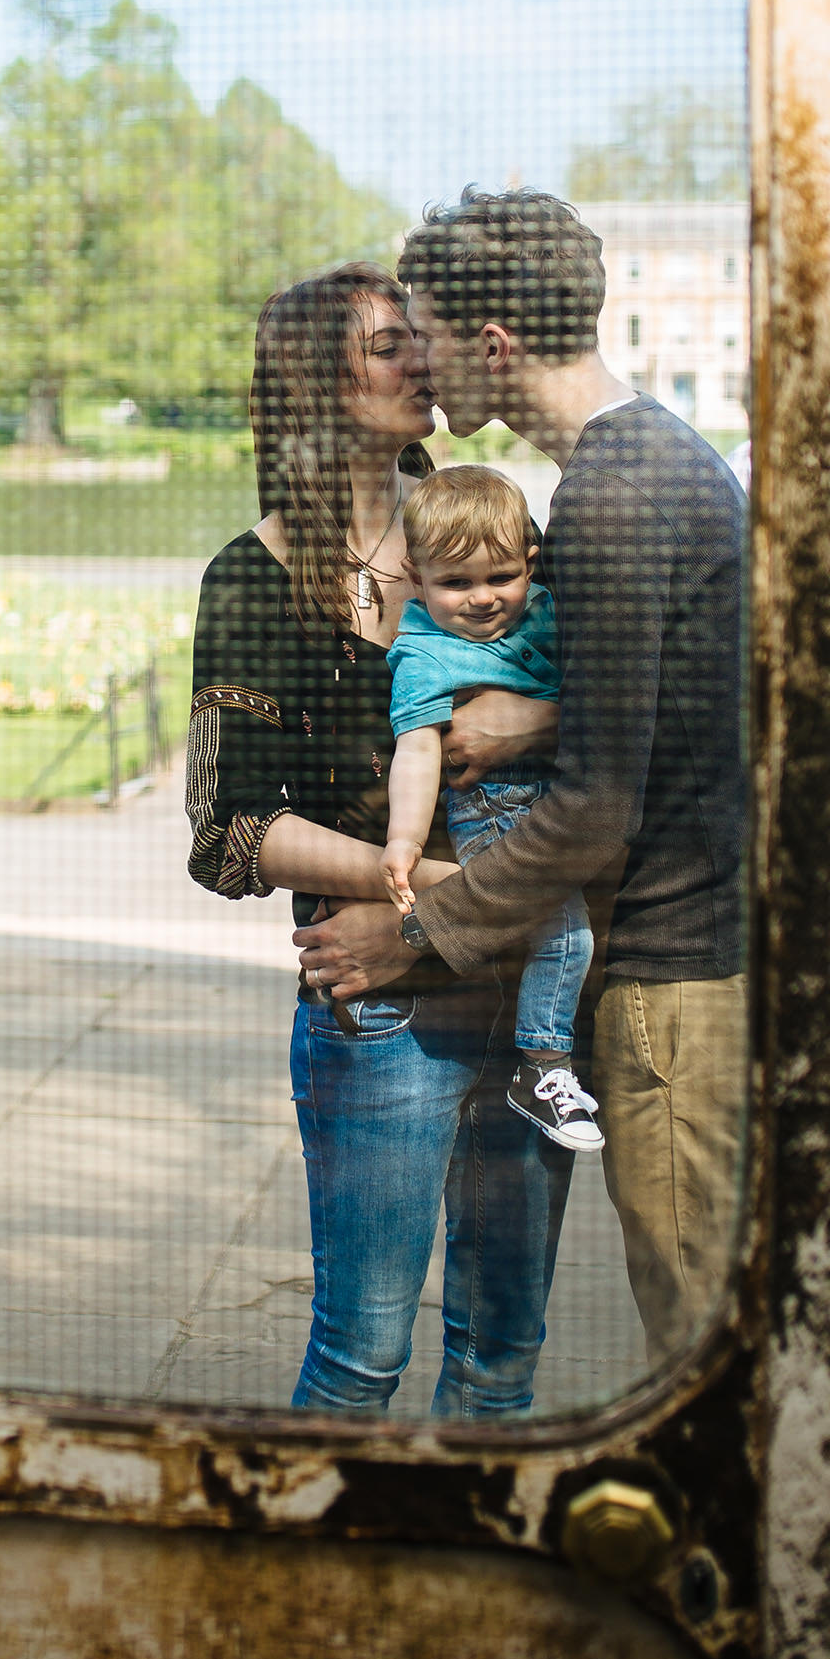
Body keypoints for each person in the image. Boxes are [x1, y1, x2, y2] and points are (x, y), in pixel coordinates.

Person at [295, 190, 747, 1368]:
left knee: (698, 1352)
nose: (425, 371)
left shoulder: (606, 495)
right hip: (694, 964)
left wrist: (414, 931)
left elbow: (599, 807)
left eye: (431, 337)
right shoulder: (657, 458)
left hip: (667, 987)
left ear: (493, 344)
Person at [185, 264, 575, 1417]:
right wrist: (425, 889)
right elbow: (226, 832)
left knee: (501, 1355)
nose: (425, 361)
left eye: (422, 339)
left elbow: (614, 714)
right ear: (314, 384)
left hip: (526, 998)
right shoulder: (249, 579)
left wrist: (542, 719)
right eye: (388, 345)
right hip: (378, 1012)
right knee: (359, 1360)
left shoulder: (498, 531)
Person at [380, 463, 602, 1154]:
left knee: (558, 935)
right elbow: (416, 753)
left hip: (555, 801)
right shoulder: (425, 654)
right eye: (455, 583)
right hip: (492, 810)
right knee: (566, 938)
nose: (481, 599)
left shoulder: (547, 609)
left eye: (499, 577)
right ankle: (542, 1067)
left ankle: (456, 929)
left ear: (530, 564)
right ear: (417, 580)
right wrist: (404, 841)